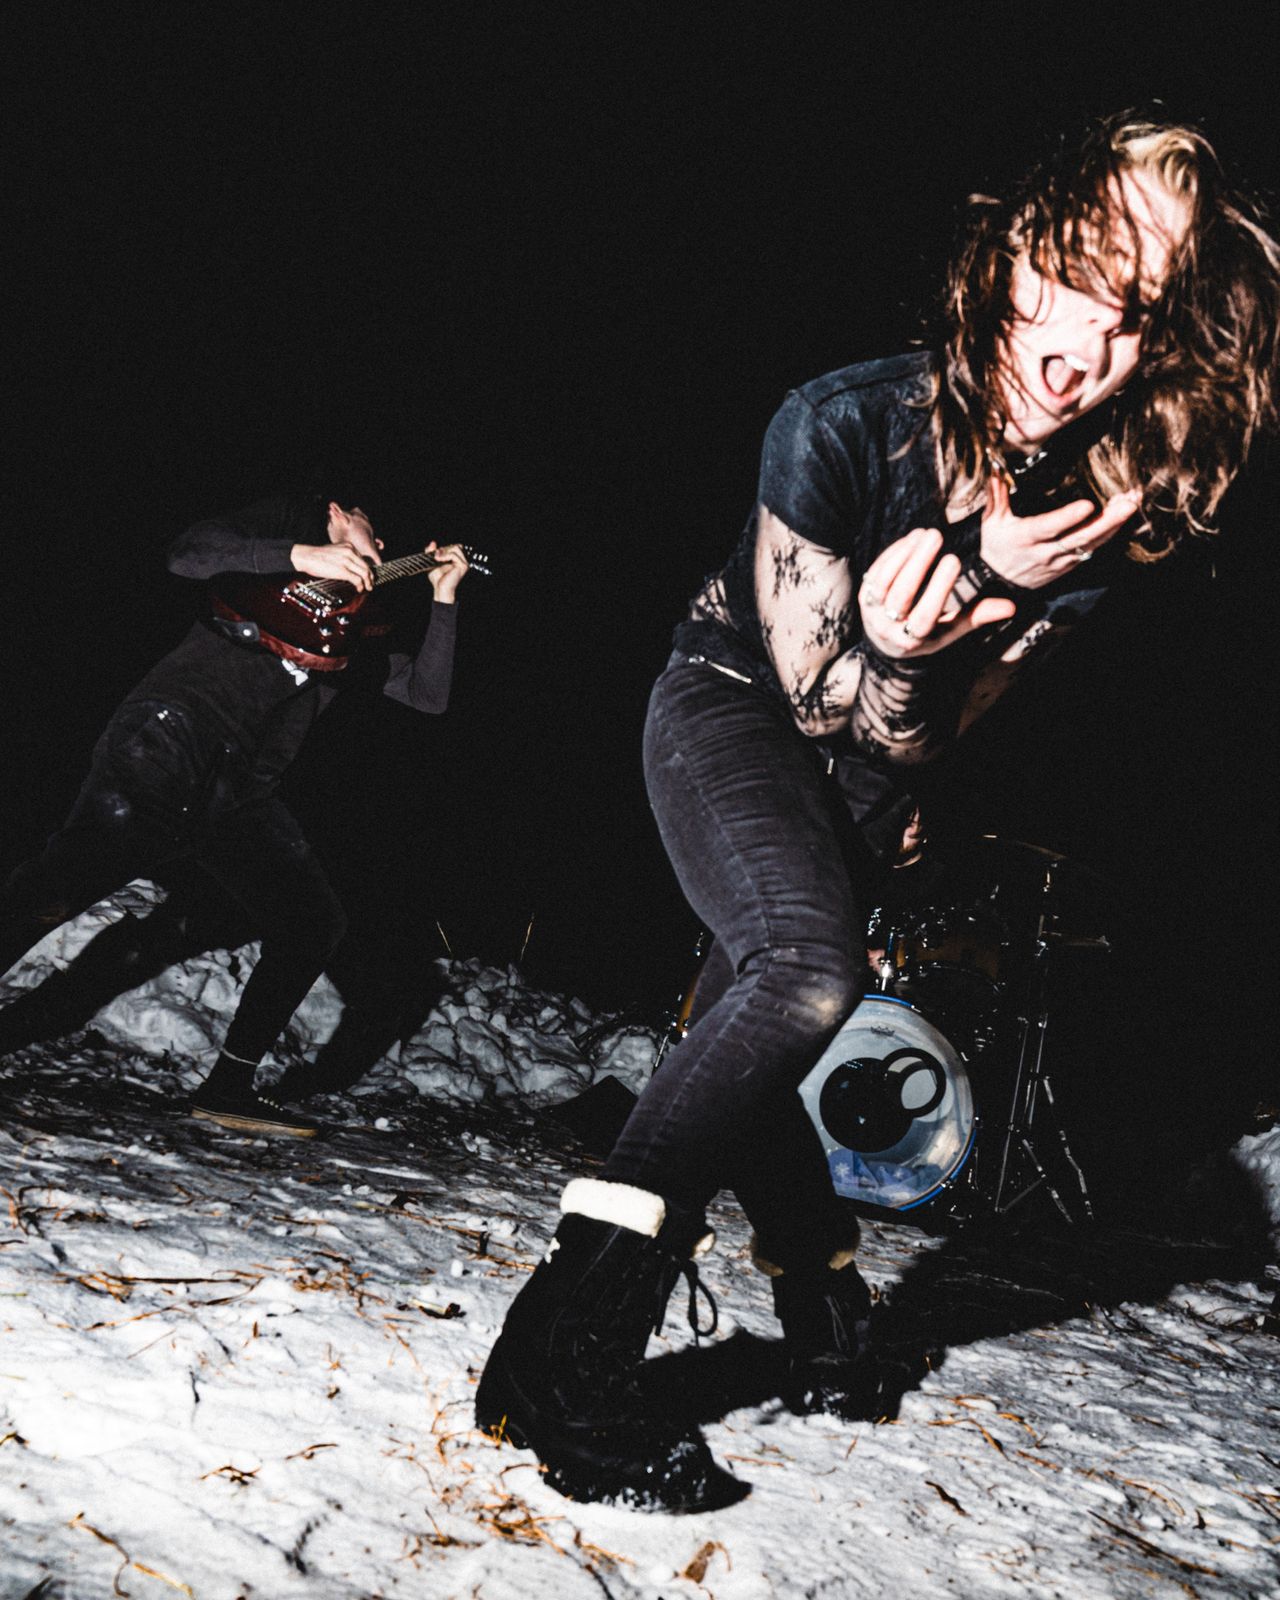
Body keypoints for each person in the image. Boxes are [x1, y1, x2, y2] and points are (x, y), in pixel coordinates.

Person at [475, 115, 1280, 1510]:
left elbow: (914, 732)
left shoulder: (1086, 525)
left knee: (767, 1024)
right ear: (1010, 260)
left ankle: (826, 1311)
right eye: (1071, 282)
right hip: (728, 701)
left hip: (868, 771)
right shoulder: (839, 421)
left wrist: (933, 643)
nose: (1079, 351)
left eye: (1131, 317)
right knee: (803, 968)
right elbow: (800, 696)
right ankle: (560, 1354)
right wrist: (942, 587)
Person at [0, 494, 471, 1136]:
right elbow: (186, 554)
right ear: (339, 514)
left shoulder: (352, 633)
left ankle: (228, 1087)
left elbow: (428, 695)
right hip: (171, 736)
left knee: (312, 921)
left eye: (385, 548)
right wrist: (301, 553)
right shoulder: (282, 535)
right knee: (58, 887)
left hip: (241, 792)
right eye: (374, 531)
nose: (382, 548)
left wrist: (443, 597)